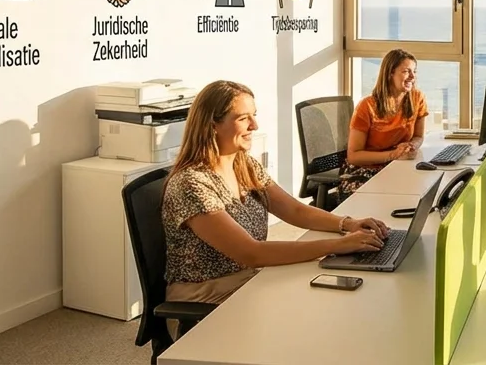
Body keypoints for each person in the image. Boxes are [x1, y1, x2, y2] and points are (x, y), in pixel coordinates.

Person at [162, 80, 390, 331]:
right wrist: (339, 246)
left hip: (250, 278)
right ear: (212, 124)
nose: (254, 125)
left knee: (326, 300)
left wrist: (347, 224)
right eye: (243, 118)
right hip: (205, 296)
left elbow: (294, 210)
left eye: (254, 115)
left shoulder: (244, 165)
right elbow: (251, 253)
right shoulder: (191, 184)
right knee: (308, 320)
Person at [341, 49, 427, 196]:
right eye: (406, 71)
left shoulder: (417, 98)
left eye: (414, 71)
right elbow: (354, 156)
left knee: (422, 190)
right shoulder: (367, 106)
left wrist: (411, 146)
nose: (412, 77)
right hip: (364, 170)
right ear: (390, 74)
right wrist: (393, 155)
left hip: (396, 166)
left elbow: (418, 136)